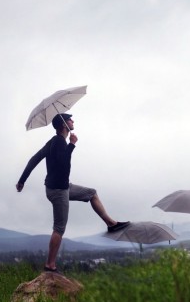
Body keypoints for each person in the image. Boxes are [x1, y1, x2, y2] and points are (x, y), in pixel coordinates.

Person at [16, 113, 129, 272]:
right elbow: (63, 162)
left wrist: (22, 180)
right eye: (70, 119)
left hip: (61, 186)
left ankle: (111, 224)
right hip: (58, 190)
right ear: (63, 124)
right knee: (59, 228)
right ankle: (50, 265)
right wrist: (72, 144)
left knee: (91, 193)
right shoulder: (59, 142)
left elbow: (33, 160)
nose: (73, 121)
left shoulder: (53, 142)